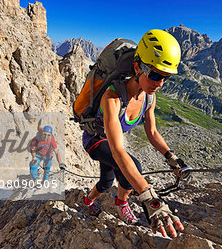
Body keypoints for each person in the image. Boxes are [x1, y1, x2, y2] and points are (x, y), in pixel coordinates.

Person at [81, 29, 188, 238]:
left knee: (106, 181)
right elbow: (118, 150)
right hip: (95, 140)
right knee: (132, 167)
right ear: (138, 67)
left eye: (165, 78)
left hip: (112, 140)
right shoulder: (112, 97)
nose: (160, 84)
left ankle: (88, 200)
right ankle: (121, 203)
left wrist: (172, 158)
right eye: (155, 74)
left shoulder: (149, 98)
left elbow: (153, 132)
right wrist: (150, 198)